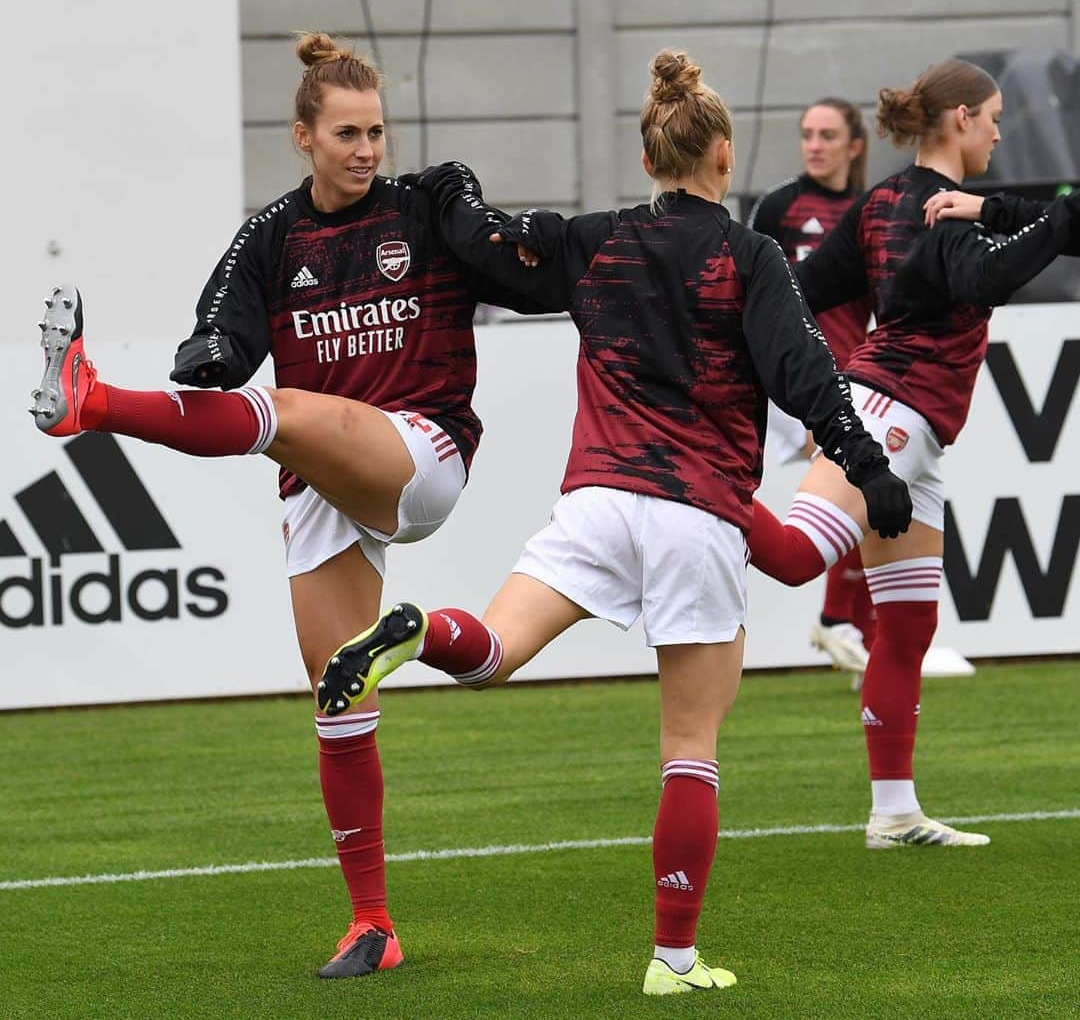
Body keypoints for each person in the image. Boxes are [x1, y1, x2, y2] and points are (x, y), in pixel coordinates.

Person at [311, 49, 911, 994]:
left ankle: (423, 629)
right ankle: (673, 959)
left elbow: (491, 247)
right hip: (698, 512)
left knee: (494, 652)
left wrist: (445, 188)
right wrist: (871, 472)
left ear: (645, 161)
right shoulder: (747, 256)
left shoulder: (596, 239)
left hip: (594, 500)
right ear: (722, 154)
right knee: (690, 744)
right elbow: (808, 377)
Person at [30, 32, 540, 979]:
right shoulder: (271, 235)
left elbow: (514, 261)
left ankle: (88, 403)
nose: (366, 150)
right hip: (320, 484)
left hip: (420, 454)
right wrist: (211, 365)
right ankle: (373, 925)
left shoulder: (423, 207)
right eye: (346, 134)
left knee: (284, 413)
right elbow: (219, 330)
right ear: (302, 136)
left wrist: (502, 226)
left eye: (376, 132)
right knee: (340, 694)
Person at [743, 58, 1080, 848]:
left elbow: (801, 290)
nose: (1000, 130)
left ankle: (893, 813)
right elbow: (990, 275)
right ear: (960, 119)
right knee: (796, 558)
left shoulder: (882, 199)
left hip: (914, 430)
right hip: (889, 413)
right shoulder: (937, 212)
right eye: (993, 116)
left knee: (907, 625)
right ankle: (695, 485)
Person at [747, 98, 877, 675]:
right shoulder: (778, 206)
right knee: (861, 498)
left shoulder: (871, 210)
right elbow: (749, 290)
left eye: (827, 135)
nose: (814, 145)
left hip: (856, 379)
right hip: (795, 384)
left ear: (855, 145)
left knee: (872, 502)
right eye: (806, 134)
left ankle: (851, 632)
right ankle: (842, 626)